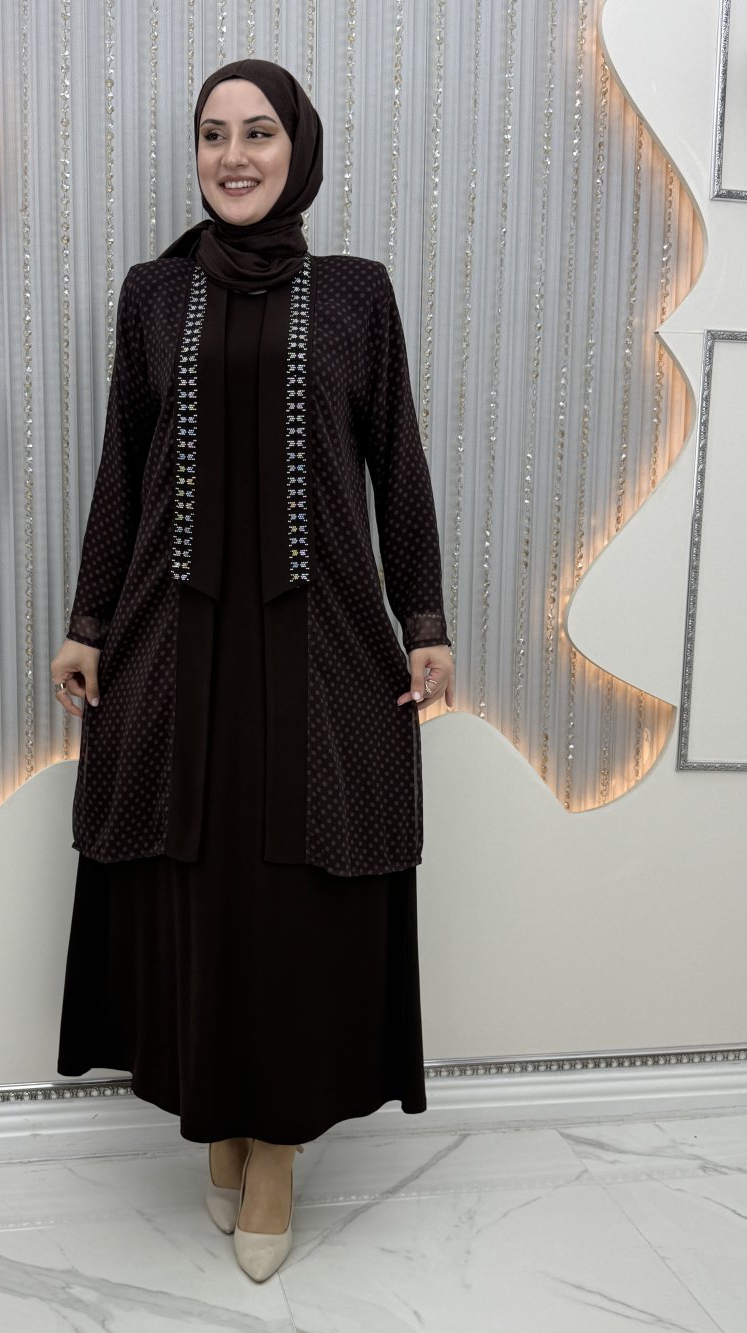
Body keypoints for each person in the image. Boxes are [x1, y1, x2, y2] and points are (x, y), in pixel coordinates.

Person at [51, 59, 453, 1283]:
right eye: (214, 135)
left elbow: (395, 458)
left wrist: (424, 617)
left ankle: (273, 1147)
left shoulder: (355, 294)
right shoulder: (153, 293)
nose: (234, 156)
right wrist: (87, 622)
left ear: (299, 148)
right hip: (176, 641)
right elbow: (124, 463)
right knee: (199, 890)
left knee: (292, 900)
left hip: (316, 641)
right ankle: (218, 1116)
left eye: (259, 132)